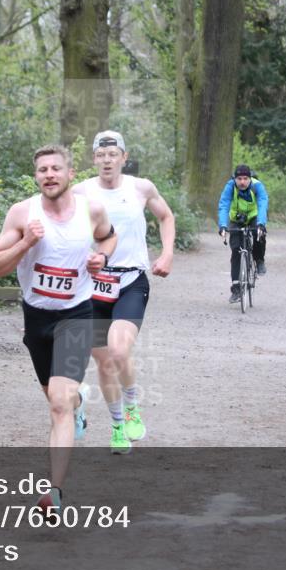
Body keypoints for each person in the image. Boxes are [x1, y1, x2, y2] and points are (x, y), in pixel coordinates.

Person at [0, 144, 116, 514]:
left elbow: (108, 236)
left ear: (70, 174)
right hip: (37, 317)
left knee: (57, 405)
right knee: (57, 397)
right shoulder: (22, 214)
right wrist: (27, 241)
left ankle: (54, 491)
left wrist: (101, 257)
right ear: (36, 176)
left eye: (56, 168)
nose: (49, 175)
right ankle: (77, 404)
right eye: (42, 170)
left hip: (76, 314)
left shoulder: (90, 209)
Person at [76, 131, 174, 455]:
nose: (107, 160)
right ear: (94, 158)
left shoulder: (141, 188)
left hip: (131, 280)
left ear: (123, 156)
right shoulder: (80, 192)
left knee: (119, 352)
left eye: (113, 154)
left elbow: (165, 216)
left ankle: (132, 405)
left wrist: (167, 253)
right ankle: (117, 427)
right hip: (94, 284)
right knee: (104, 363)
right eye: (101, 155)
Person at [217, 164, 268, 303]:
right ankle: (236, 287)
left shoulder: (257, 186)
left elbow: (263, 204)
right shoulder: (230, 186)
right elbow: (224, 204)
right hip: (236, 218)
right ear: (235, 179)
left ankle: (259, 260)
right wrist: (222, 225)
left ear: (250, 178)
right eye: (239, 178)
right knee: (236, 249)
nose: (242, 182)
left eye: (245, 178)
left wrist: (261, 224)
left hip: (254, 217)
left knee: (259, 235)